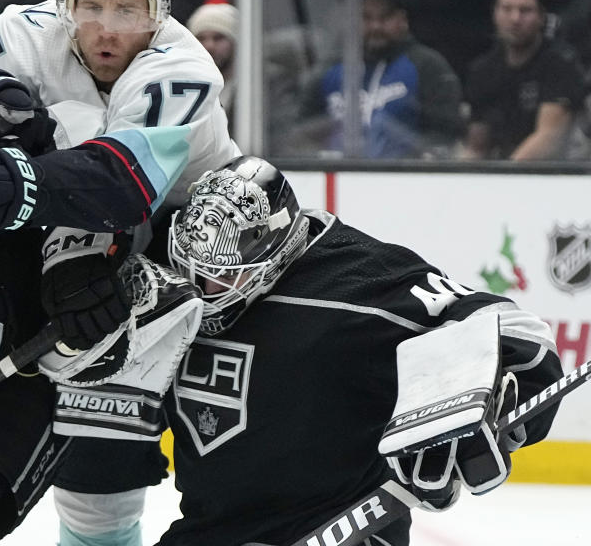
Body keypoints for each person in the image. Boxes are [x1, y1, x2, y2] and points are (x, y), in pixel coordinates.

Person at [0, 0, 240, 546]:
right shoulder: (22, 31)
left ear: (159, 12)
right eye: (90, 6)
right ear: (66, 1)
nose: (107, 28)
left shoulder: (184, 66)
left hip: (191, 253)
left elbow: (119, 184)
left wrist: (16, 172)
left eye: (127, 9)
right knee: (94, 487)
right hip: (68, 240)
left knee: (200, 466)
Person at [152, 156, 564, 545]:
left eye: (219, 279)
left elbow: (519, 332)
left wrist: (481, 399)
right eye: (186, 268)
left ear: (270, 254)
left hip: (346, 531)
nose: (199, 293)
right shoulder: (160, 267)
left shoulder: (356, 280)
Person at [298, 0, 464, 159]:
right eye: (367, 17)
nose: (376, 26)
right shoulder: (329, 70)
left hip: (407, 180)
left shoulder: (428, 66)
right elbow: (300, 132)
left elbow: (445, 135)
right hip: (337, 177)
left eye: (385, 17)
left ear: (403, 20)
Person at [462, 0, 584, 160]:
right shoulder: (482, 70)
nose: (515, 19)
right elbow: (477, 144)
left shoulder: (560, 63)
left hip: (560, 174)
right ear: (495, 13)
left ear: (542, 17)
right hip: (499, 173)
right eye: (506, 9)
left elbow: (549, 137)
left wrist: (506, 176)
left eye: (525, 10)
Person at [186, 3, 238, 130]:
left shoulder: (260, 88)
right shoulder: (181, 91)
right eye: (201, 38)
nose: (209, 46)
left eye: (218, 38)